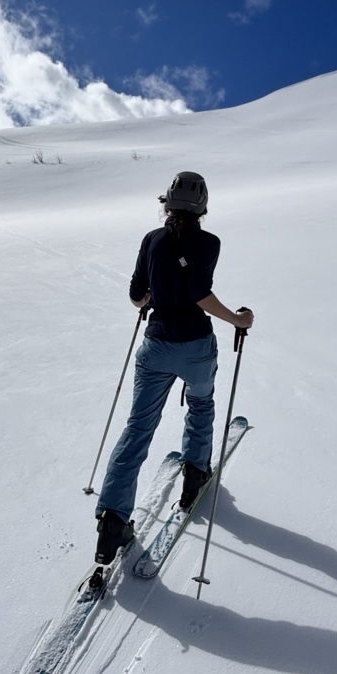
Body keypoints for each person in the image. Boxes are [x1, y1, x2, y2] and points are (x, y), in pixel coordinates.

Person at [95, 172, 254, 564]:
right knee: (201, 406)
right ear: (202, 207)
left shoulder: (151, 239)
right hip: (197, 348)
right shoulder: (209, 242)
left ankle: (112, 522)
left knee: (137, 429)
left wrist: (153, 295)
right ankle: (195, 474)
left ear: (166, 202)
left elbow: (137, 296)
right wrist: (237, 319)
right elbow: (200, 293)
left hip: (156, 347)